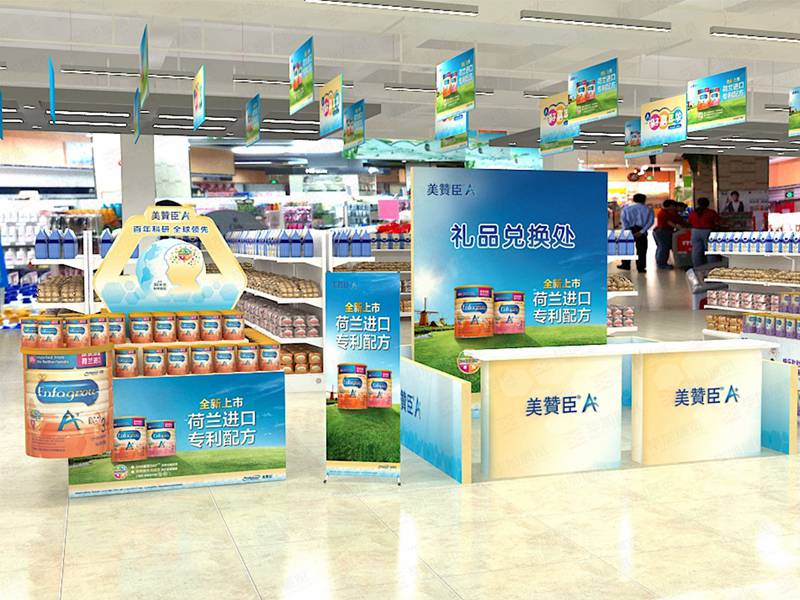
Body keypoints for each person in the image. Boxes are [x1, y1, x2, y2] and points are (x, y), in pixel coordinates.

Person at [619, 193, 653, 273]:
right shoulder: (648, 209)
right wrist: (642, 231)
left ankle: (626, 265)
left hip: (629, 229)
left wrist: (628, 230)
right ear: (644, 200)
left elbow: (623, 220)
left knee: (626, 249)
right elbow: (650, 222)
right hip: (642, 231)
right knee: (642, 250)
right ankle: (641, 268)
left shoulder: (626, 208)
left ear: (633, 199)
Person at [653, 200, 686, 270]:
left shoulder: (669, 212)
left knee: (662, 247)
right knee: (664, 247)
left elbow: (680, 221)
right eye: (673, 206)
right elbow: (670, 223)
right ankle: (662, 264)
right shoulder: (663, 213)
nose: (674, 207)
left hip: (664, 231)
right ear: (670, 206)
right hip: (662, 231)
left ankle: (660, 263)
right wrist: (681, 229)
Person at [688, 197, 719, 268]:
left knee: (696, 250)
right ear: (708, 204)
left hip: (695, 231)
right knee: (710, 250)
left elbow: (689, 222)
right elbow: (718, 221)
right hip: (707, 231)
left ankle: (697, 267)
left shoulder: (693, 213)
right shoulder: (711, 212)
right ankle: (711, 266)